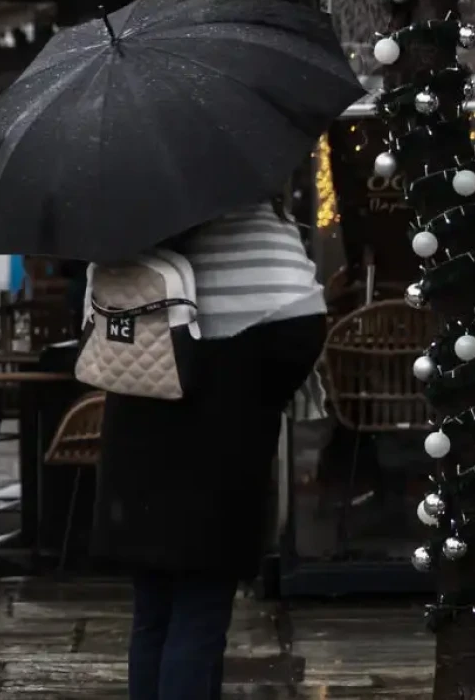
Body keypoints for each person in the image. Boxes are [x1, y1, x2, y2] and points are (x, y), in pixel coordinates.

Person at [91, 199, 327, 700]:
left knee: (153, 615)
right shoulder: (251, 215)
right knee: (199, 617)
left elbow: (97, 337)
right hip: (219, 444)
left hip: (138, 435)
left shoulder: (123, 226)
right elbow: (300, 327)